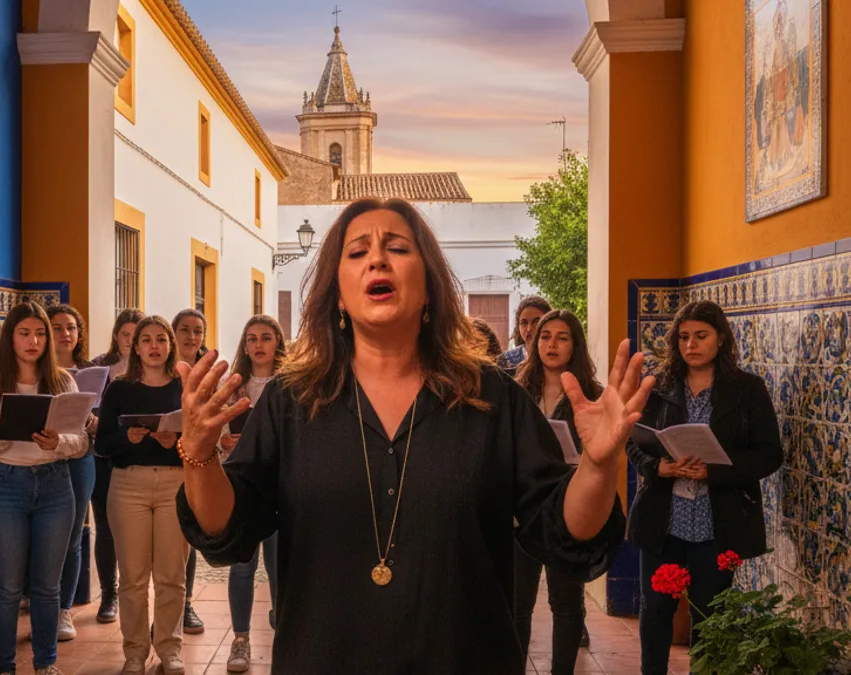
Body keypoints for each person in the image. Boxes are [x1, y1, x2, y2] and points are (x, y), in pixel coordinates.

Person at [175, 198, 648, 673]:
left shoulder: (491, 399)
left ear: (429, 286)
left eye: (396, 248)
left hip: (463, 655)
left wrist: (598, 462)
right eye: (357, 252)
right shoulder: (291, 401)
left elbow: (564, 531)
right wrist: (199, 455)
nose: (377, 259)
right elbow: (227, 527)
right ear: (337, 293)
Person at [628, 300, 783, 675]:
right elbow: (633, 441)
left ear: (720, 340)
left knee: (711, 614)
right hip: (665, 519)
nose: (690, 345)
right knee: (655, 610)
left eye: (701, 336)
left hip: (719, 522)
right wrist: (657, 466)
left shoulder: (747, 389)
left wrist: (713, 473)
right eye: (683, 337)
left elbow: (769, 455)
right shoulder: (660, 386)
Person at [0, 302, 89, 675]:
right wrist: (0, 436)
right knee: (5, 588)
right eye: (24, 333)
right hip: (3, 486)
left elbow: (80, 441)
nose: (33, 340)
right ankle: (4, 668)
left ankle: (45, 665)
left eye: (39, 333)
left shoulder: (63, 381)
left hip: (55, 486)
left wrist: (59, 444)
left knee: (47, 587)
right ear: (10, 338)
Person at [512, 310, 604, 674]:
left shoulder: (592, 394)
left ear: (575, 345)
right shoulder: (517, 391)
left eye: (562, 337)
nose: (551, 343)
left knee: (566, 603)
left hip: (571, 508)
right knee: (518, 604)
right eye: (545, 336)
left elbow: (604, 453)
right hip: (523, 508)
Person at [96, 316, 188, 675]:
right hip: (127, 485)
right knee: (133, 577)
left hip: (175, 483)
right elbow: (102, 444)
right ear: (135, 347)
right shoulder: (119, 389)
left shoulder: (185, 387)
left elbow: (204, 439)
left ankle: (169, 649)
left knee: (171, 575)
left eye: (161, 339)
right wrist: (127, 439)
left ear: (170, 345)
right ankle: (135, 651)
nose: (154, 346)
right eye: (145, 340)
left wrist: (176, 441)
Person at [219, 315, 286, 673]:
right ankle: (241, 639)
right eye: (252, 338)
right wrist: (224, 443)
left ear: (278, 343)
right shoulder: (232, 388)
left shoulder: (293, 386)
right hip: (242, 487)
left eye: (266, 337)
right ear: (244, 346)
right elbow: (213, 440)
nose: (259, 344)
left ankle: (284, 635)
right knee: (242, 566)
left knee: (281, 568)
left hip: (281, 489)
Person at [89, 308, 146, 624]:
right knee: (106, 527)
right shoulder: (99, 367)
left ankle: (132, 591)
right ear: (117, 336)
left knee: (134, 529)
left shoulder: (151, 368)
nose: (130, 340)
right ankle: (109, 594)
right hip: (102, 459)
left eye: (137, 335)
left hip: (135, 460)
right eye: (126, 334)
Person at [46, 304, 97, 642]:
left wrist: (95, 421)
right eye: (57, 327)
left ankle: (64, 609)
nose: (65, 333)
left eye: (71, 327)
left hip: (80, 457)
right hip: (44, 457)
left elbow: (102, 418)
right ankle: (43, 605)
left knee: (74, 535)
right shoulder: (36, 371)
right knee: (46, 536)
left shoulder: (93, 372)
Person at [171, 308, 208, 634]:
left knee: (189, 537)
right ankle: (165, 609)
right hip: (164, 462)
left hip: (197, 465)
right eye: (185, 330)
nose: (191, 337)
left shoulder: (210, 372)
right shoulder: (162, 370)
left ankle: (186, 605)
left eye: (197, 331)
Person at [499, 296, 551, 373]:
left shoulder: (558, 356)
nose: (529, 329)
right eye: (524, 323)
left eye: (536, 322)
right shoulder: (506, 360)